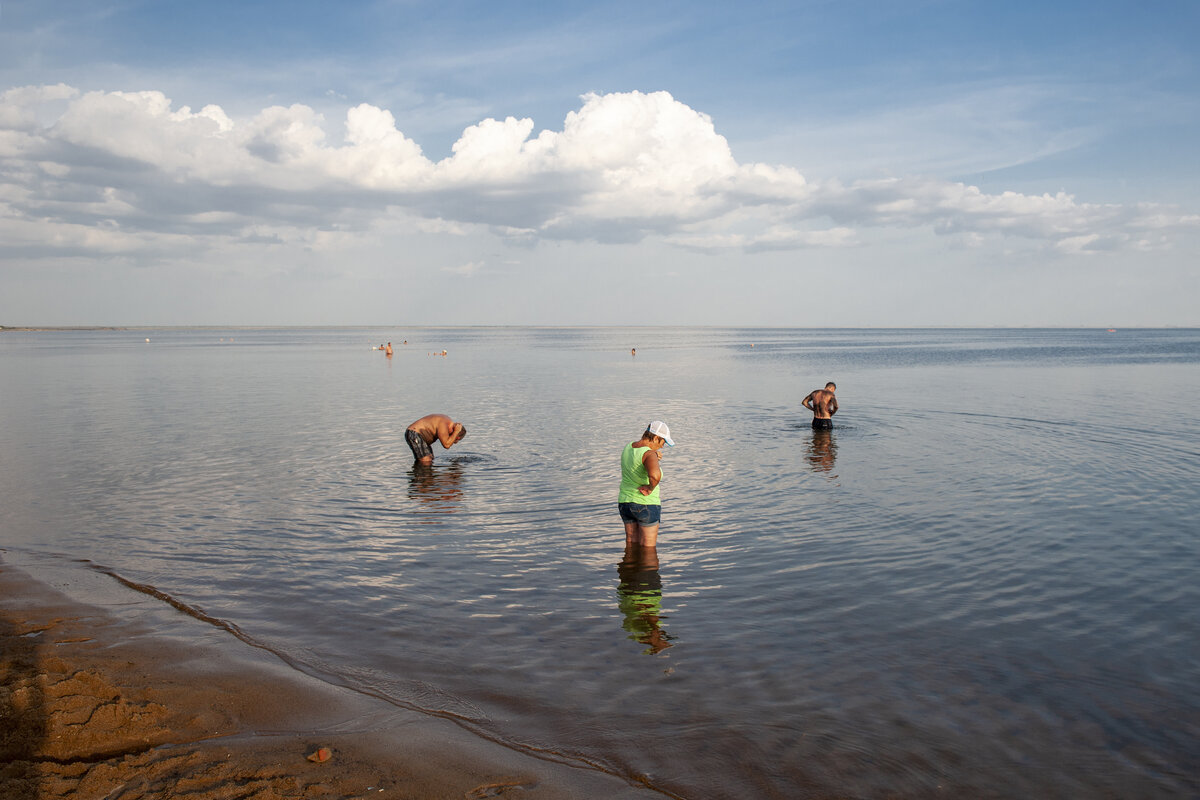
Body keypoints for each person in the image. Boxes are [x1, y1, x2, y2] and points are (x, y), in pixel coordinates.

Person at [618, 421, 674, 547]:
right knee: (648, 549)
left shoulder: (628, 447)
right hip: (646, 505)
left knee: (631, 545)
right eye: (663, 442)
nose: (662, 446)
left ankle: (628, 566)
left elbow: (637, 461)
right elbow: (655, 476)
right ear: (655, 438)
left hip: (625, 503)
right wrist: (650, 488)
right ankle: (648, 568)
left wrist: (653, 456)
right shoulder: (649, 454)